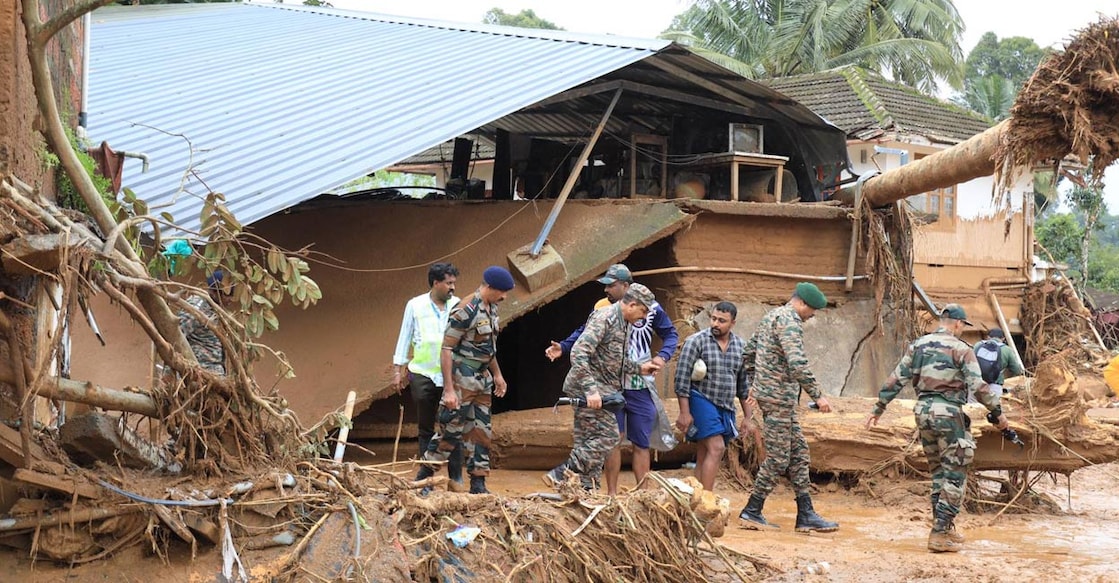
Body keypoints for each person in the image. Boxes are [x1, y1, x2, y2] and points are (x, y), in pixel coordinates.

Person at [865, 304, 1010, 553]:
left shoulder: (918, 345)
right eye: (963, 325)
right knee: (954, 475)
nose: (962, 329)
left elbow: (896, 378)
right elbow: (979, 386)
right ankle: (939, 533)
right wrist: (998, 414)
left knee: (938, 475)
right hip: (948, 414)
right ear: (956, 323)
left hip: (922, 413)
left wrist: (879, 408)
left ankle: (944, 527)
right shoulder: (961, 349)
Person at [545, 264, 678, 495]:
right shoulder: (604, 317)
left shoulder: (625, 323)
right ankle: (562, 472)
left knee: (589, 438)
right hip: (591, 387)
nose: (645, 318)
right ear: (633, 305)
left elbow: (618, 359)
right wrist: (591, 391)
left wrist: (640, 369)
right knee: (609, 435)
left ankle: (583, 489)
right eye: (644, 312)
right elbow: (579, 352)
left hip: (605, 386)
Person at [738, 282, 838, 533]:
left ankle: (805, 514)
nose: (812, 315)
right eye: (812, 310)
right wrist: (818, 395)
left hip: (776, 399)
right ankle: (752, 509)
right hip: (779, 400)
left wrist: (756, 384)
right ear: (802, 303)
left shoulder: (770, 317)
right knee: (779, 457)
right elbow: (797, 363)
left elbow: (748, 353)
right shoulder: (790, 321)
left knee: (799, 454)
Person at [414, 266, 514, 495]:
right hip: (462, 379)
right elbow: (447, 348)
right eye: (502, 291)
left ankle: (478, 484)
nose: (504, 296)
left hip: (482, 380)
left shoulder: (492, 308)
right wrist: (449, 390)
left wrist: (497, 375)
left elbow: (488, 348)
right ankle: (423, 479)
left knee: (481, 432)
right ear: (488, 287)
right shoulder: (466, 309)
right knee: (450, 431)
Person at [392, 262, 465, 492]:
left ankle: (456, 478)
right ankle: (427, 481)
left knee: (454, 426)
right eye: (449, 283)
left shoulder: (458, 305)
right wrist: (398, 369)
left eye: (454, 283)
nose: (453, 288)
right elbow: (405, 336)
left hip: (451, 376)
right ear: (436, 283)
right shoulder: (415, 305)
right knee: (426, 428)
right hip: (423, 373)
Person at [673, 301, 752, 491]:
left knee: (704, 451)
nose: (716, 324)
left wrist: (749, 417)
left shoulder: (741, 347)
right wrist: (685, 413)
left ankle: (696, 499)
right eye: (713, 319)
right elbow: (681, 378)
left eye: (722, 321)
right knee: (717, 448)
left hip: (725, 406)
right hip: (700, 399)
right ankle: (708, 499)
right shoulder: (696, 342)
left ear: (732, 323)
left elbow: (743, 386)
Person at [178, 270, 227, 375]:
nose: (231, 300)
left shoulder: (216, 310)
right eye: (227, 295)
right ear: (215, 292)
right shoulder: (198, 307)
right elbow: (175, 335)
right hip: (198, 374)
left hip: (213, 376)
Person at [972, 328, 1024, 399]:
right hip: (995, 385)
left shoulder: (978, 345)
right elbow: (1017, 370)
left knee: (972, 407)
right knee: (994, 408)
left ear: (988, 337)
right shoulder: (1007, 350)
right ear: (1003, 339)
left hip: (976, 383)